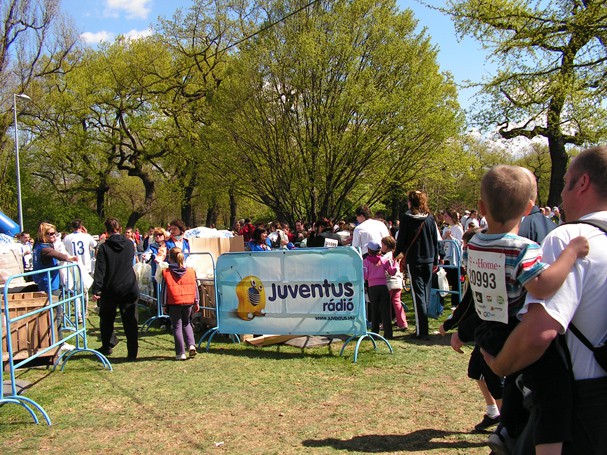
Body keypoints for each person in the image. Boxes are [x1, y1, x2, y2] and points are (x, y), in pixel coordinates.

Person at [483, 147, 607, 454]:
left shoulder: (570, 238)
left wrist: (499, 365)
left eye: (565, 183)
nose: (561, 195)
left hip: (582, 402)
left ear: (583, 183)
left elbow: (539, 334)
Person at [463, 165, 588, 455]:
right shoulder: (522, 248)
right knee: (553, 390)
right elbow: (542, 286)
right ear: (529, 208)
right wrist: (570, 254)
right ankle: (548, 447)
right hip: (514, 329)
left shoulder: (475, 244)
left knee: (516, 381)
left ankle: (507, 427)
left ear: (481, 207)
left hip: (488, 327)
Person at [439, 228, 503, 432]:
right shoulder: (478, 267)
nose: (465, 252)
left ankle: (509, 425)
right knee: (476, 370)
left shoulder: (488, 267)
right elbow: (469, 302)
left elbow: (471, 305)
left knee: (494, 376)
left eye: (467, 247)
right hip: (485, 329)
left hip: (494, 329)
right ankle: (494, 412)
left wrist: (455, 328)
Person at [394, 191, 440, 340]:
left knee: (418, 294)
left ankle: (422, 330)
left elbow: (402, 239)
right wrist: (436, 260)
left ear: (410, 202)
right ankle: (423, 327)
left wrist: (396, 254)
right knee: (425, 293)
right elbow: (435, 240)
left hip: (415, 260)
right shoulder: (430, 218)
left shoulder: (407, 218)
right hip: (429, 259)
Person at [91, 218, 139, 360]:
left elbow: (100, 270)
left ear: (106, 231)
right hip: (129, 285)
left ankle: (108, 345)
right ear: (120, 228)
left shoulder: (104, 247)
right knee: (130, 319)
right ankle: (132, 352)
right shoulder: (130, 244)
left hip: (110, 287)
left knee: (106, 318)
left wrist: (96, 289)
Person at [160, 247, 199, 361]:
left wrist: (164, 305)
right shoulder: (191, 271)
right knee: (187, 323)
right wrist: (196, 301)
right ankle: (191, 345)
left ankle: (180, 353)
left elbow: (164, 291)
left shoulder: (166, 272)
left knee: (177, 326)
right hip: (188, 301)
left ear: (169, 258)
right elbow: (195, 288)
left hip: (174, 302)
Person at [363, 241, 397, 340]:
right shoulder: (383, 260)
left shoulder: (365, 261)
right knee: (386, 311)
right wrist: (394, 263)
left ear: (369, 250)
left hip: (372, 288)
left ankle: (374, 333)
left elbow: (364, 276)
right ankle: (388, 334)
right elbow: (392, 272)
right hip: (383, 287)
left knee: (374, 310)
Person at [32, 222, 78, 294]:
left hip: (44, 282)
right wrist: (72, 258)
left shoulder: (37, 245)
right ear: (43, 235)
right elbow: (60, 256)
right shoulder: (45, 249)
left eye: (54, 233)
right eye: (51, 234)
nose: (54, 235)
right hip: (49, 284)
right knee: (54, 300)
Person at [381, 235, 407, 330]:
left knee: (386, 304)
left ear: (386, 246)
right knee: (397, 302)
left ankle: (386, 323)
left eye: (382, 245)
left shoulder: (385, 257)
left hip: (389, 282)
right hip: (398, 281)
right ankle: (402, 322)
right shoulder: (398, 255)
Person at [441, 208, 464, 309]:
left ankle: (455, 303)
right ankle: (441, 301)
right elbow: (441, 242)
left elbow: (461, 242)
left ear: (451, 217)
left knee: (455, 281)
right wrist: (444, 237)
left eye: (446, 216)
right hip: (446, 256)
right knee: (444, 278)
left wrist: (452, 238)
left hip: (454, 257)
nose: (444, 218)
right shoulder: (446, 228)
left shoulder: (458, 228)